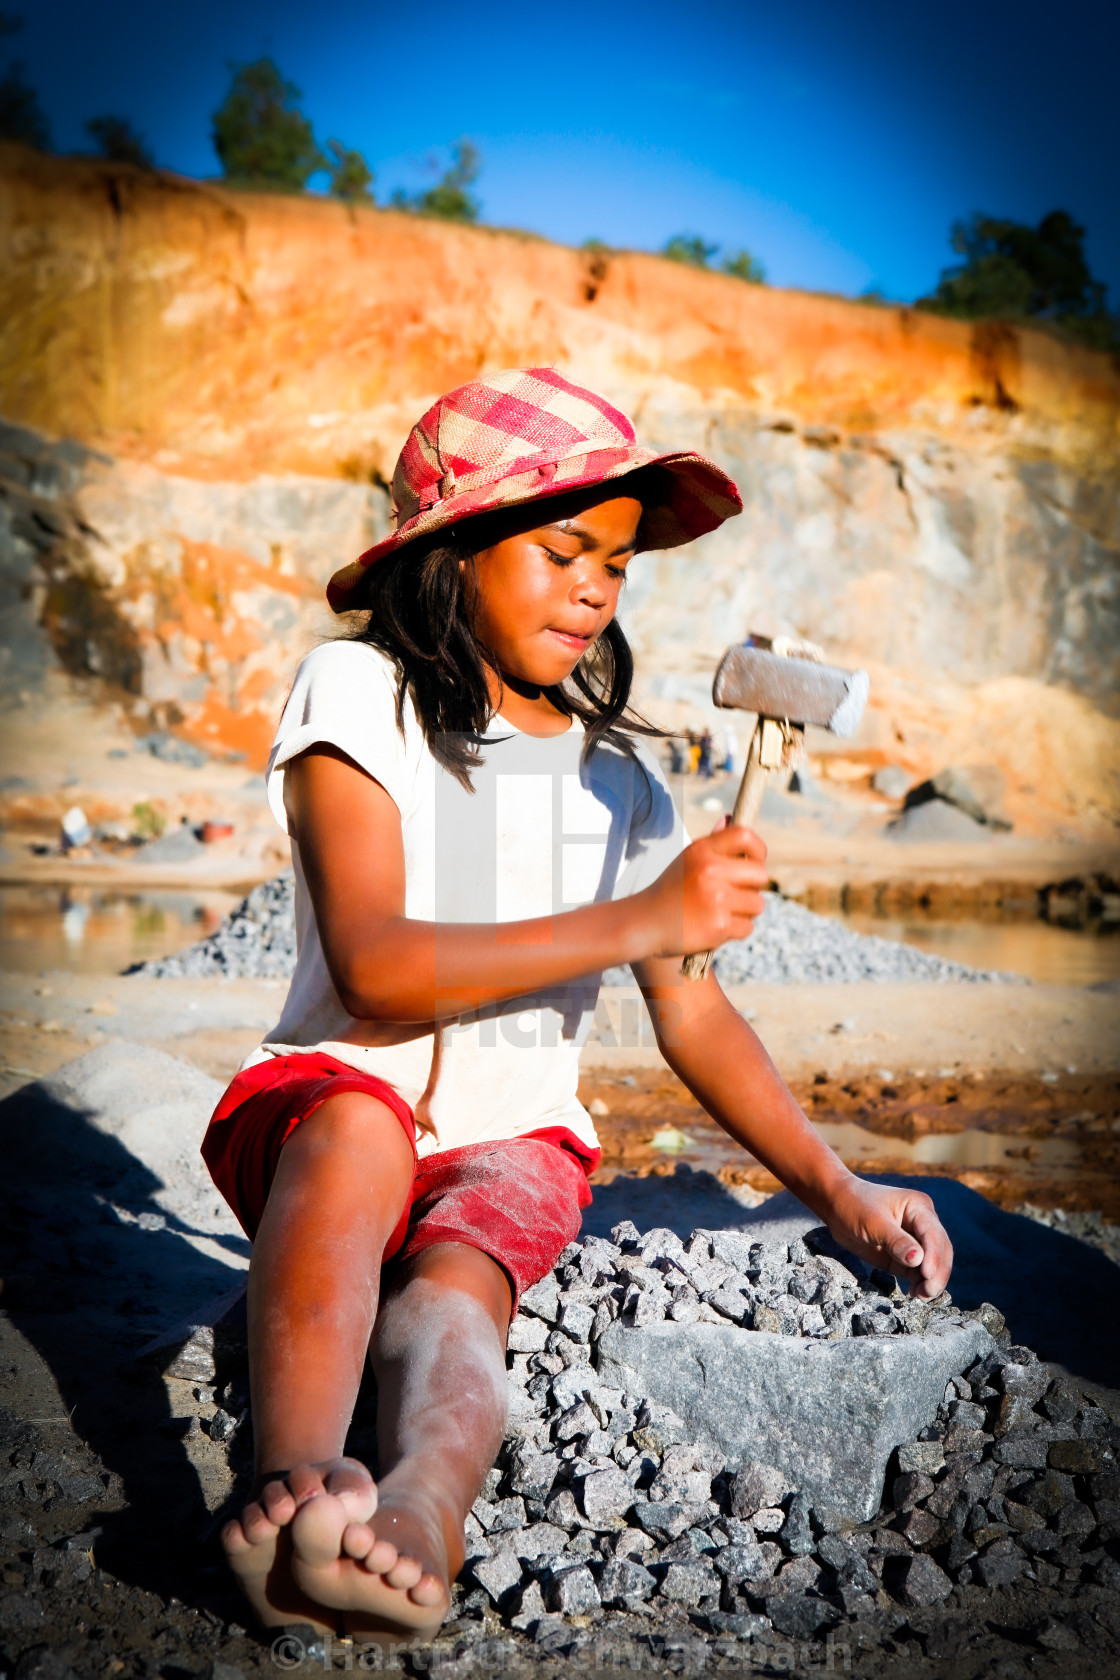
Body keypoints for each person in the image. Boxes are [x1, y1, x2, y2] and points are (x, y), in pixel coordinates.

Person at [203, 368, 952, 1643]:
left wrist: (837, 1190)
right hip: (329, 1098)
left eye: (614, 561)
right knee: (361, 1133)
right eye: (561, 552)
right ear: (448, 554)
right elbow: (376, 965)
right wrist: (641, 917)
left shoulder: (623, 785)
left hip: (515, 1130)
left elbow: (695, 1011)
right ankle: (296, 1482)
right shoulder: (357, 701)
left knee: (459, 1293)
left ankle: (423, 1514)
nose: (597, 587)